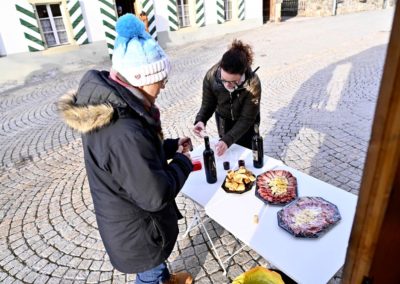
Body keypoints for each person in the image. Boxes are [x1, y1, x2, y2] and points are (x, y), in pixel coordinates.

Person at [58, 14, 193, 284]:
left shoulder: (118, 108)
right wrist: (183, 161)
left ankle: (164, 278)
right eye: (161, 78)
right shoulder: (124, 131)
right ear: (140, 79)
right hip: (139, 231)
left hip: (133, 221)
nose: (165, 84)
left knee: (155, 268)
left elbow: (135, 162)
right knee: (149, 273)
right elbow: (155, 195)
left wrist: (168, 147)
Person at [193, 39, 261, 156]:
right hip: (224, 120)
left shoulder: (253, 83)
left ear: (243, 72)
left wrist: (227, 139)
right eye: (224, 80)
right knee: (229, 154)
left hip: (247, 124)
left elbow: (247, 118)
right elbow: (208, 103)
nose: (228, 85)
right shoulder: (211, 76)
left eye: (233, 82)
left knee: (248, 153)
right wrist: (201, 120)